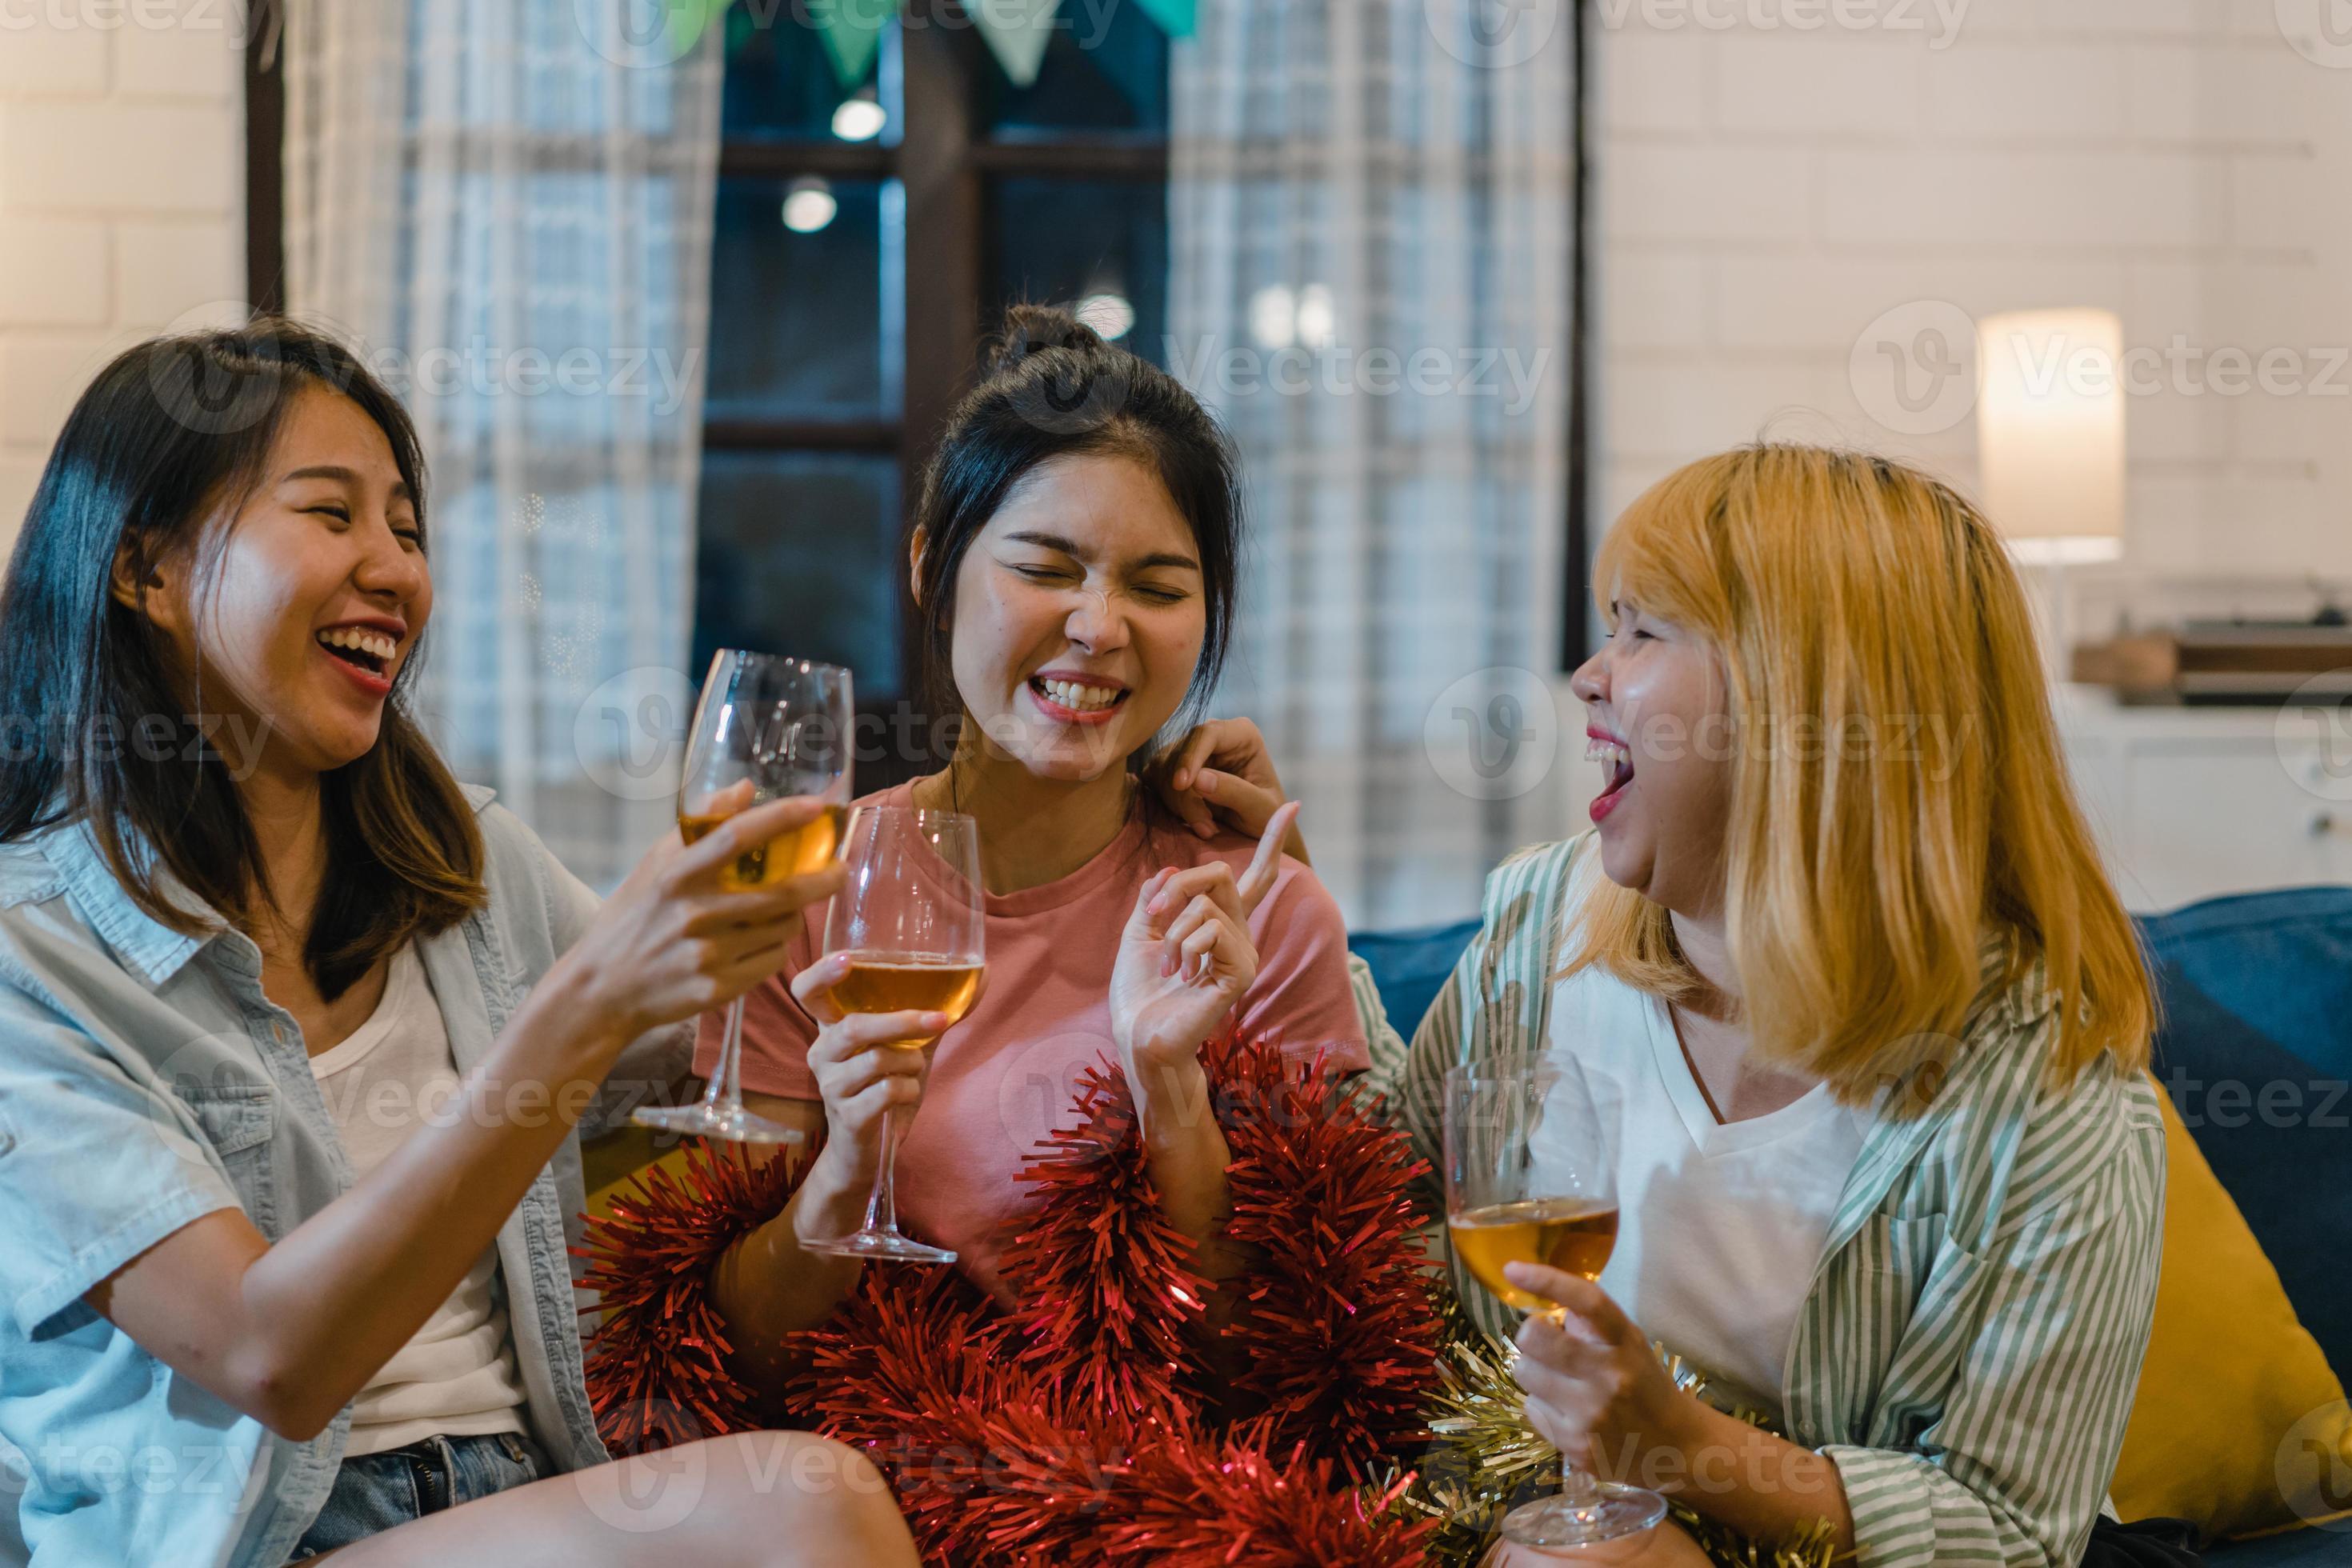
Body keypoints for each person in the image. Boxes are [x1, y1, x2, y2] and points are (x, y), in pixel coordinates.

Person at [0, 322, 919, 1566]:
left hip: (518, 1497)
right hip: (254, 1543)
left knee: (814, 1492)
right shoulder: (31, 957)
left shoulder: (463, 868)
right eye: (329, 514)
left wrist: (1101, 796)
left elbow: (739, 1036)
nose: (396, 571)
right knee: (808, 1503)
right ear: (146, 571)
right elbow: (268, 1357)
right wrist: (580, 1014)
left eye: (408, 530)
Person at [1176, 445, 2170, 1568]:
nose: (1590, 676)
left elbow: (2007, 1529)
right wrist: (1296, 928)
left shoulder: (2056, 1107)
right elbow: (1379, 1206)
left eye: (1644, 633)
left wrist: (1683, 1447)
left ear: (1810, 707)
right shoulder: (1544, 927)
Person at [690, 306, 1374, 1378]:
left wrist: (1171, 1092)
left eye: (1157, 588)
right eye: (1048, 569)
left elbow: (1294, 1370)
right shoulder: (805, 888)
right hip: (866, 1493)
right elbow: (727, 1360)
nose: (1100, 628)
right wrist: (846, 1167)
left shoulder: (1259, 916)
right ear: (931, 567)